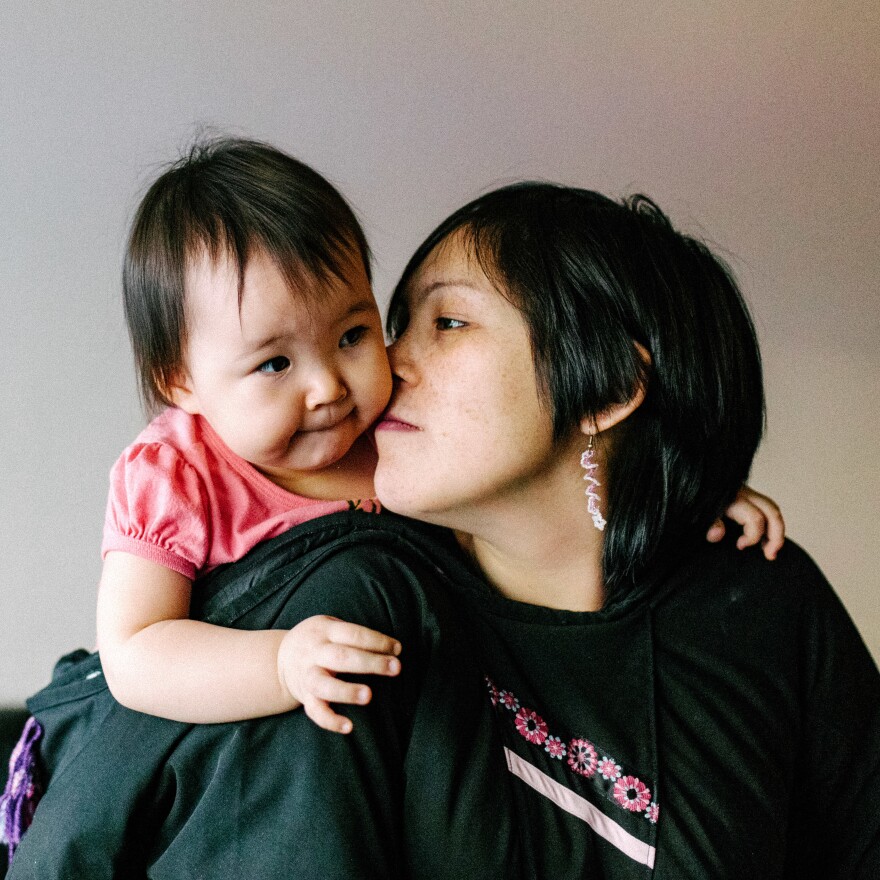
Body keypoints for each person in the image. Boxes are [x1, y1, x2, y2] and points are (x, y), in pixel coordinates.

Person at [6, 170, 815, 879]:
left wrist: (689, 488)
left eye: (442, 323)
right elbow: (137, 654)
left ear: (604, 387)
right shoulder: (338, 579)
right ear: (180, 379)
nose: (376, 367)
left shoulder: (754, 603)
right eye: (275, 361)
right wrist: (282, 661)